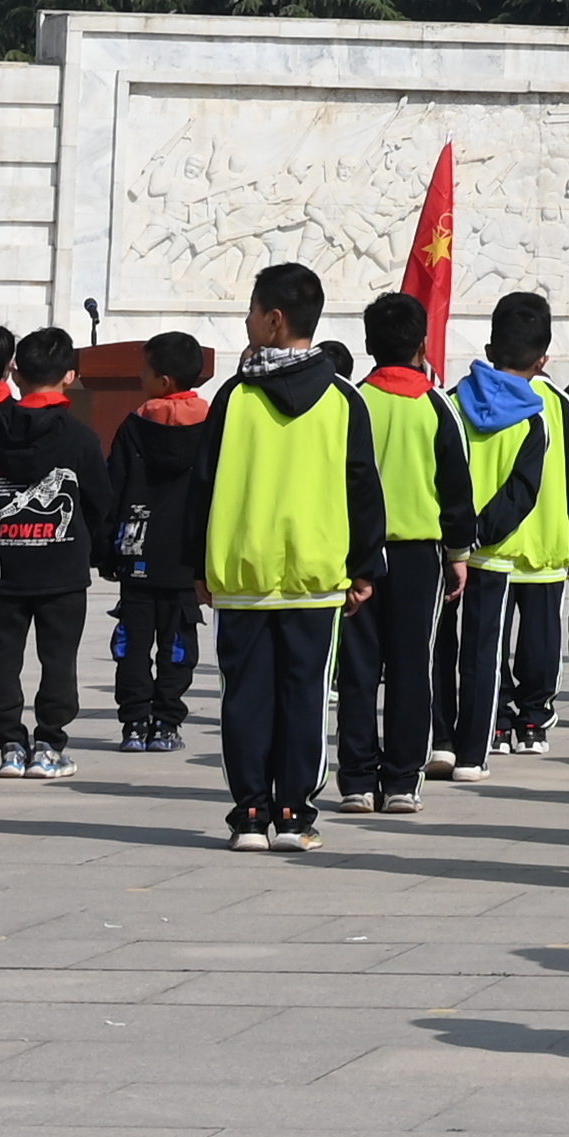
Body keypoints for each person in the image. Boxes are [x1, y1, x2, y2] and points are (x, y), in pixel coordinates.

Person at [203, 261, 392, 853]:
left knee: (245, 695)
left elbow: (203, 486)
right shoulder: (342, 398)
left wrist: (196, 567)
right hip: (315, 574)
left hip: (242, 571)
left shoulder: (233, 397)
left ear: (274, 319)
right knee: (305, 694)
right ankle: (293, 813)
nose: (247, 320)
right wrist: (365, 566)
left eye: (253, 310)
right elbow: (362, 484)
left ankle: (250, 812)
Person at [339, 291, 471, 813]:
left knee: (357, 667)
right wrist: (458, 551)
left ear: (369, 344)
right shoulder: (436, 406)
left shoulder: (351, 401)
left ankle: (354, 780)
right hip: (420, 554)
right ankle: (399, 781)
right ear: (422, 344)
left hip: (357, 554)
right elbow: (456, 487)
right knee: (414, 666)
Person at [0, 329, 99, 779]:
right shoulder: (80, 438)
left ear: (16, 373)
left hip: (2, 570)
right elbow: (100, 502)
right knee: (58, 659)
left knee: (1, 659)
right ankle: (48, 744)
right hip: (62, 570)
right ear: (70, 376)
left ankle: (8, 743)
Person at [443, 300, 567, 768]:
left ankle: (453, 737)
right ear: (543, 359)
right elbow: (530, 488)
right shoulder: (544, 410)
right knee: (506, 648)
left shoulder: (454, 401)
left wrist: (459, 533)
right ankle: (497, 738)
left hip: (453, 549)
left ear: (490, 346)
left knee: (454, 651)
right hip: (513, 547)